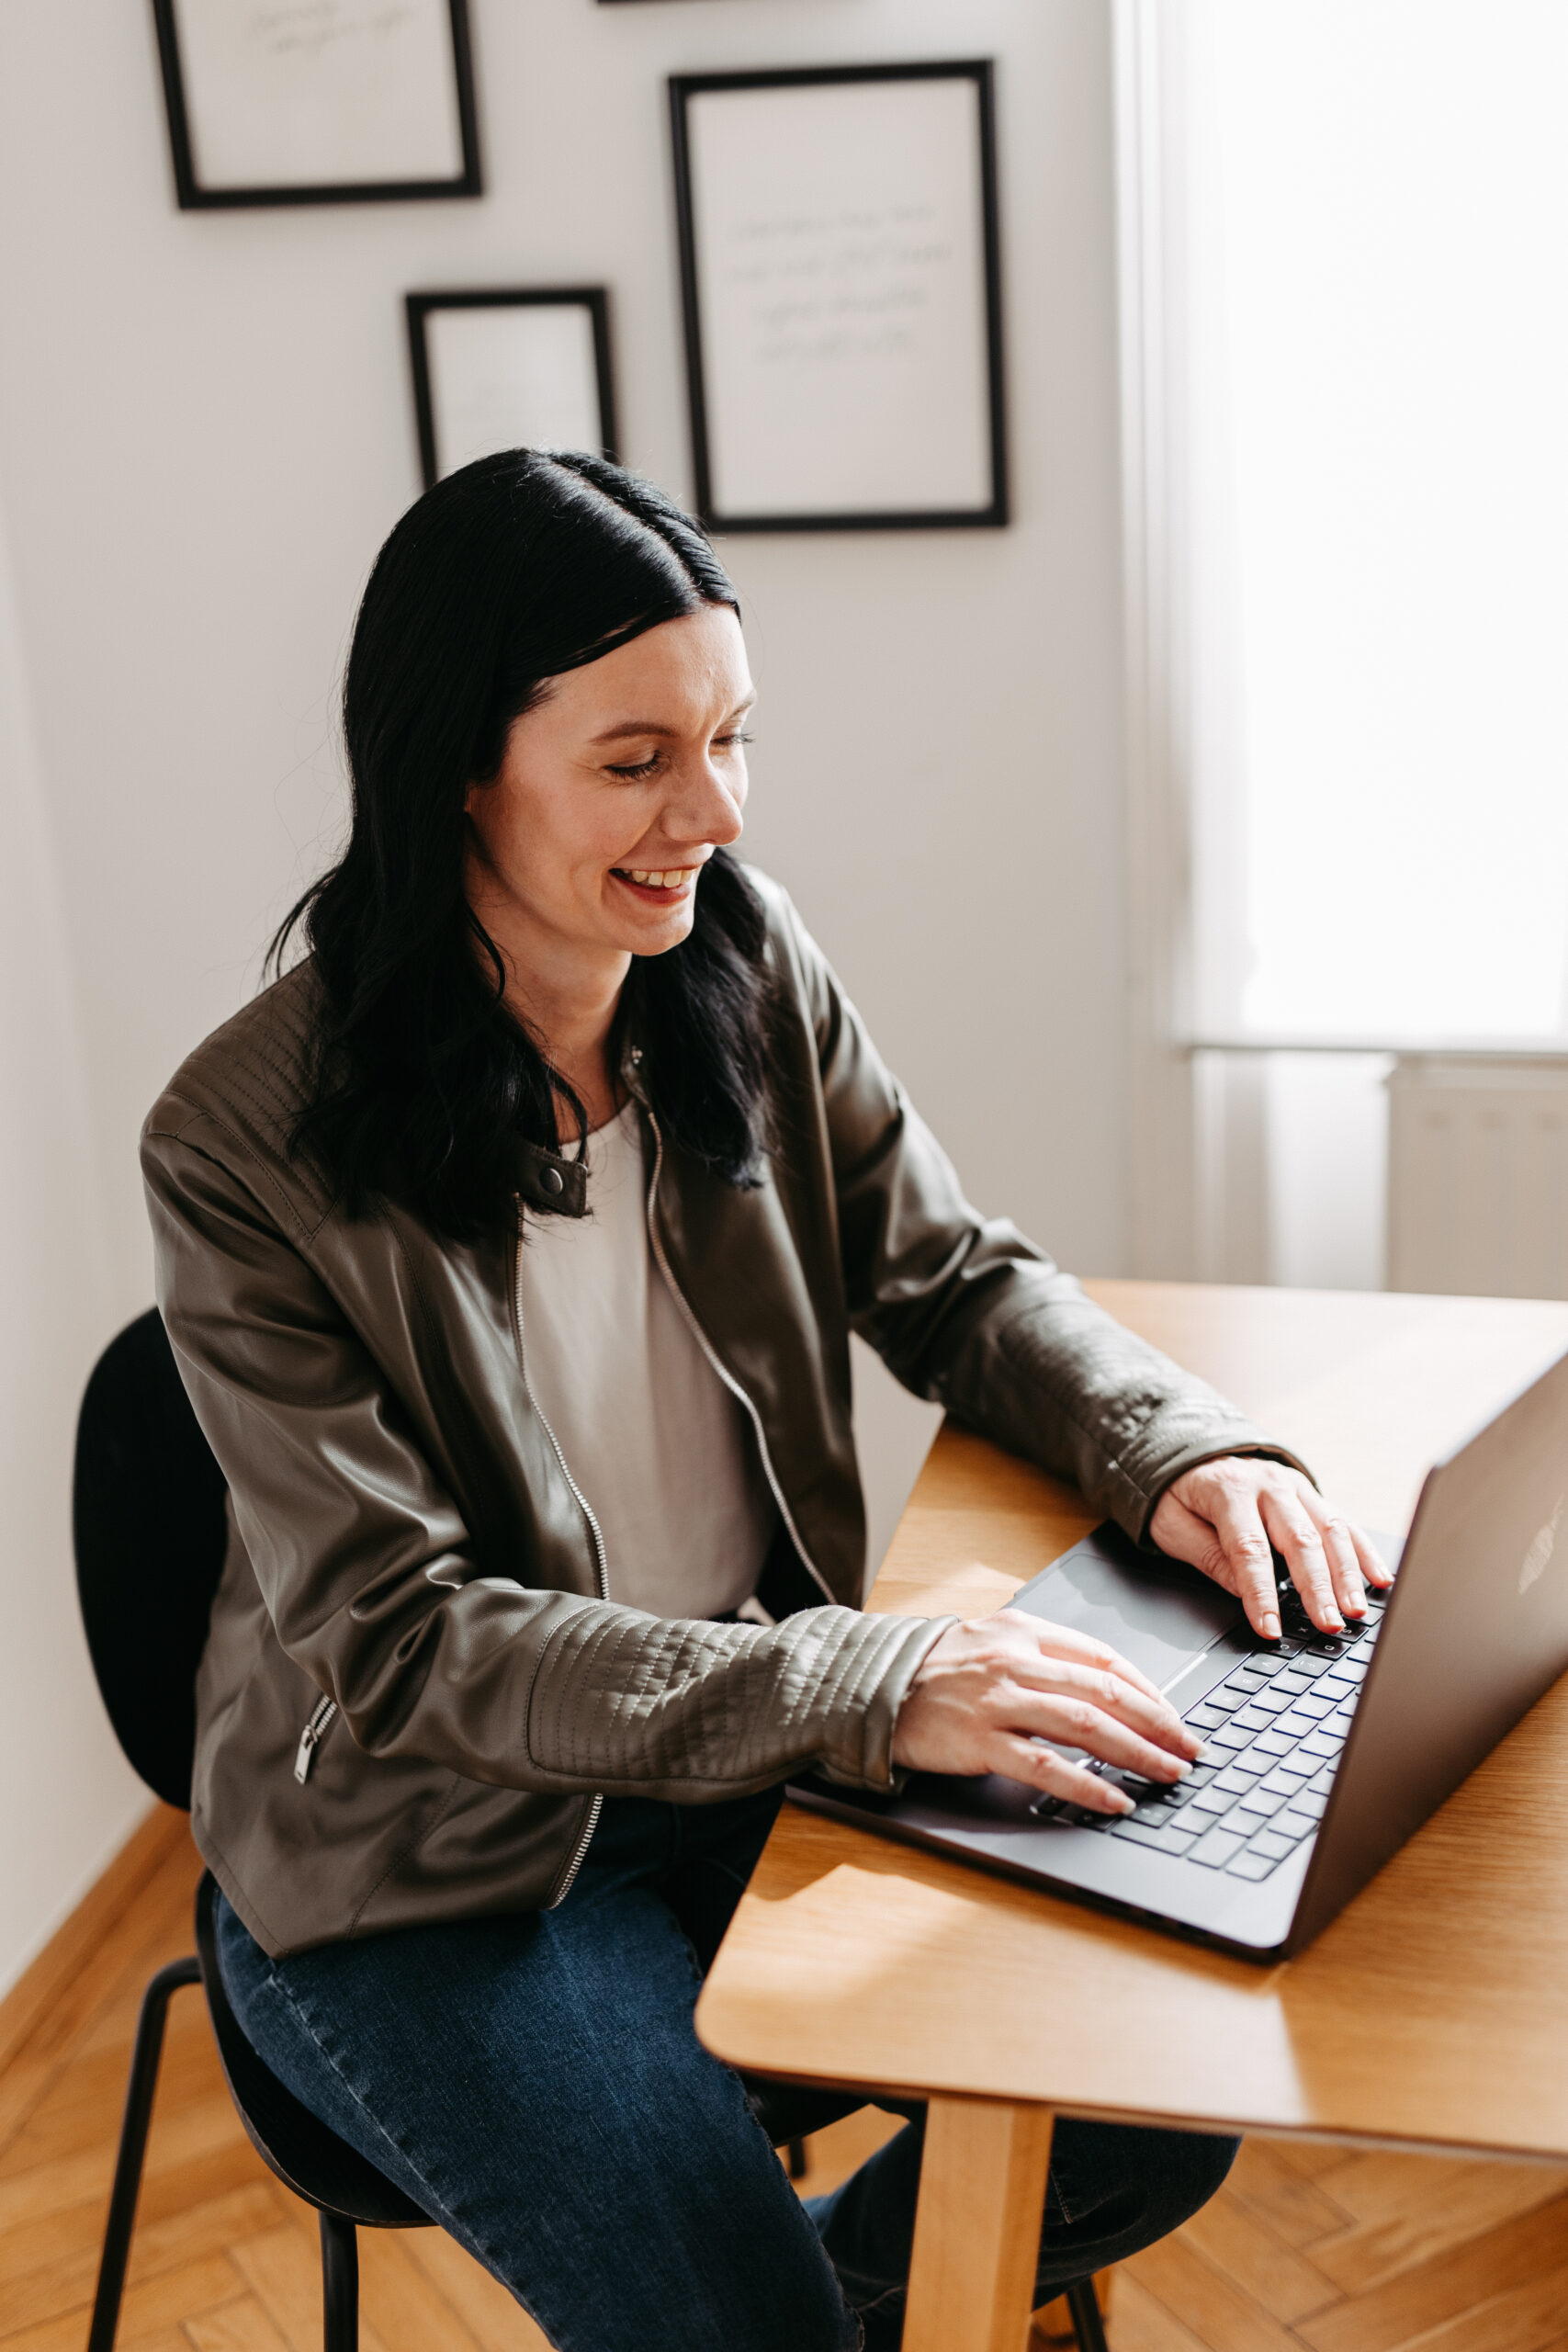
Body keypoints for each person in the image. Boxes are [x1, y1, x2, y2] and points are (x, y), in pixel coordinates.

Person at [142, 451, 1388, 2352]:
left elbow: (949, 1279)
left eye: (731, 735)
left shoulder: (730, 952)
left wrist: (1175, 1442)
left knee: (1151, 2099)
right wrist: (869, 1682)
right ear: (456, 763)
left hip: (730, 1731)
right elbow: (399, 1644)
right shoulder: (241, 1139)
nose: (708, 810)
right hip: (434, 1853)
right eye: (635, 759)